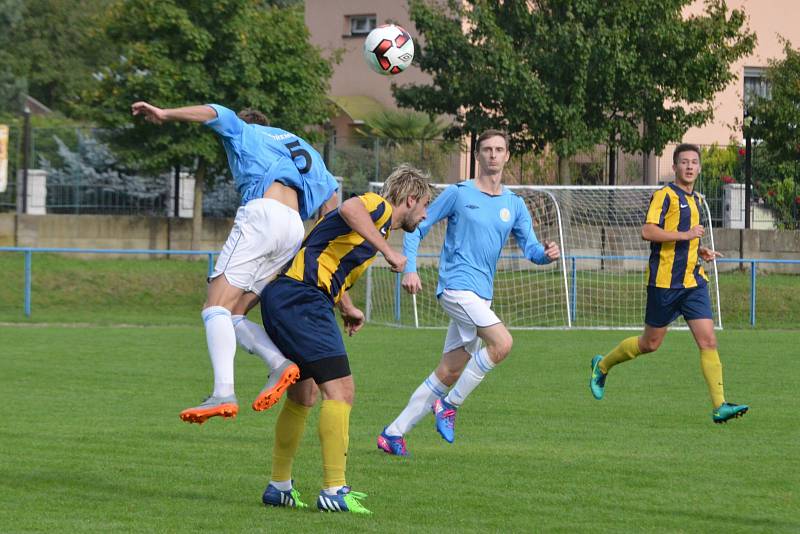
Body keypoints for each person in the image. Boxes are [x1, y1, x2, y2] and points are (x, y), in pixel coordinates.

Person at [131, 101, 339, 424]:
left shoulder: (247, 132)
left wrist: (164, 114)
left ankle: (223, 392)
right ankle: (280, 365)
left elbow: (216, 113)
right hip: (295, 230)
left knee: (214, 307)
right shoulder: (304, 151)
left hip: (263, 214)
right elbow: (331, 206)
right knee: (234, 312)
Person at [258, 165, 430, 514]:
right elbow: (349, 208)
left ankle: (279, 486)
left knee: (303, 394)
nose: (425, 214)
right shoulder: (378, 208)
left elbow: (328, 260)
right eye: (424, 205)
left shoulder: (371, 228)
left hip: (291, 298)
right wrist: (388, 250)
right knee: (341, 391)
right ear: (410, 200)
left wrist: (348, 306)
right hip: (301, 298)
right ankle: (334, 490)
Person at [377, 130, 560, 456]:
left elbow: (530, 248)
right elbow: (416, 226)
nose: (493, 154)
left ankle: (394, 433)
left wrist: (545, 255)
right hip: (456, 288)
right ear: (478, 155)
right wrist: (410, 268)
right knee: (502, 343)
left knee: (450, 371)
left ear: (507, 156)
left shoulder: (514, 205)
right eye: (487, 149)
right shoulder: (458, 194)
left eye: (499, 149)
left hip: (481, 295)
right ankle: (449, 406)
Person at [589, 143, 749, 424]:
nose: (689, 166)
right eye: (684, 162)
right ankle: (602, 365)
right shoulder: (664, 195)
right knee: (650, 344)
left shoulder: (698, 200)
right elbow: (648, 231)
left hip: (694, 282)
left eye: (694, 162)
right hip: (664, 283)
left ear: (699, 167)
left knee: (708, 340)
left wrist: (701, 250)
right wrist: (687, 236)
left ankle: (719, 405)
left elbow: (688, 240)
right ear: (674, 167)